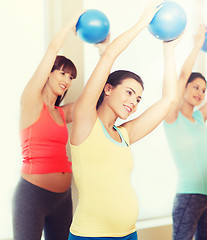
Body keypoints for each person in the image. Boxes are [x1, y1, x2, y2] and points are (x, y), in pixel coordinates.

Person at [68, 1, 182, 239]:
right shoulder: (85, 122)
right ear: (108, 89)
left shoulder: (125, 134)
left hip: (129, 233)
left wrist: (168, 50)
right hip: (91, 235)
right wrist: (142, 23)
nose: (134, 102)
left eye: (139, 98)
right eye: (129, 92)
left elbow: (169, 99)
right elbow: (110, 55)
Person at [12, 11, 84, 240]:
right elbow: (52, 51)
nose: (67, 80)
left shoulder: (62, 113)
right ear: (49, 74)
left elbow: (92, 99)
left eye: (71, 77)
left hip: (63, 198)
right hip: (32, 195)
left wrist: (105, 49)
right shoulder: (31, 102)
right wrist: (70, 25)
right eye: (62, 73)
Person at [163, 24, 207, 240]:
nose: (200, 92)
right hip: (189, 195)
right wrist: (197, 46)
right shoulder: (172, 117)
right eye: (195, 87)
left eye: (203, 90)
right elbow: (181, 76)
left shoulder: (199, 118)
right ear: (186, 88)